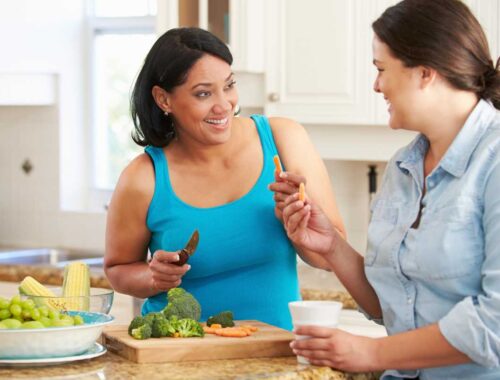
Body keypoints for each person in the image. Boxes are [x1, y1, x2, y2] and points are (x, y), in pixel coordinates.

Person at [271, 0, 500, 377]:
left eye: (381, 69)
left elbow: (494, 325)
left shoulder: (492, 160)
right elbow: (392, 305)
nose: (376, 85)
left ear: (425, 72)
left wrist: (375, 355)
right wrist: (330, 245)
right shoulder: (404, 167)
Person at [104, 27, 345, 330]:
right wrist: (152, 277)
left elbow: (331, 257)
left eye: (229, 86)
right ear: (164, 99)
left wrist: (297, 227)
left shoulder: (284, 140)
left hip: (277, 353)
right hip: (179, 358)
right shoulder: (143, 178)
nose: (224, 105)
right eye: (203, 93)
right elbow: (117, 269)